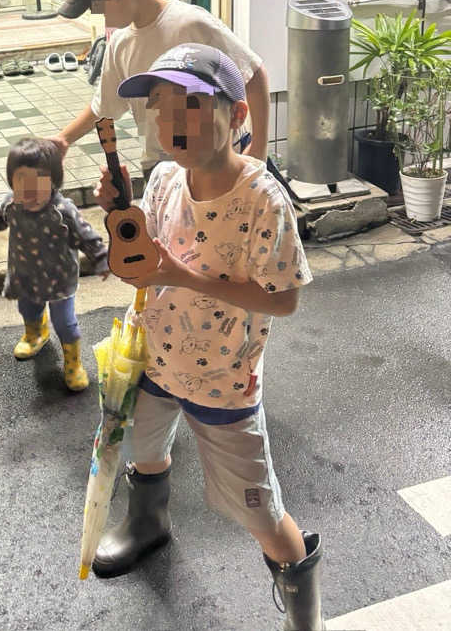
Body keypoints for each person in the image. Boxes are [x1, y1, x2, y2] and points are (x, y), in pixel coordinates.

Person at [92, 44, 324, 631]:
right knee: (143, 454)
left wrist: (179, 274)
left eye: (193, 105)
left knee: (261, 512)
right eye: (161, 106)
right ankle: (147, 523)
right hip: (153, 358)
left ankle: (304, 611)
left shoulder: (264, 201)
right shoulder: (166, 177)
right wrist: (119, 222)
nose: (173, 121)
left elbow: (286, 298)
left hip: (225, 381)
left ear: (238, 115)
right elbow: (143, 256)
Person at [52, 0, 270, 174]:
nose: (97, 12)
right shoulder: (120, 43)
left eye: (99, 2)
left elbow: (254, 73)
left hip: (217, 166)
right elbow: (103, 106)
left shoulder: (190, 23)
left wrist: (259, 149)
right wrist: (63, 140)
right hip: (162, 170)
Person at [0, 136, 108, 391]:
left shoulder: (63, 209)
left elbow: (87, 235)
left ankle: (72, 363)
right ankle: (36, 333)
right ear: (11, 182)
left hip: (60, 278)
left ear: (53, 180)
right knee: (28, 309)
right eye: (21, 181)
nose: (29, 190)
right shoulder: (11, 204)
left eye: (38, 180)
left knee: (65, 322)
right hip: (26, 274)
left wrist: (102, 258)